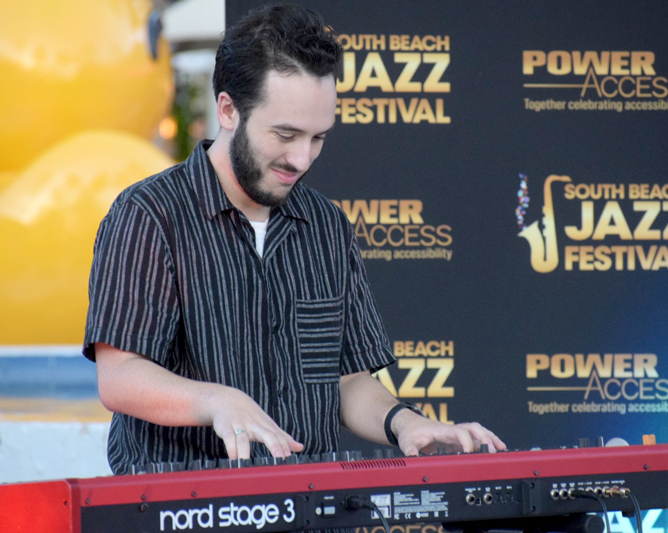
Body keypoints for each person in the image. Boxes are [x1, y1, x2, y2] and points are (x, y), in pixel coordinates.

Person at [83, 3, 505, 477]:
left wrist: (403, 423)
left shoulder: (327, 226)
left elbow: (348, 381)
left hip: (309, 507)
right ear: (228, 110)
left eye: (318, 138)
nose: (301, 159)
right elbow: (119, 377)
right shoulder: (149, 215)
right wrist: (217, 401)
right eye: (285, 134)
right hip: (187, 507)